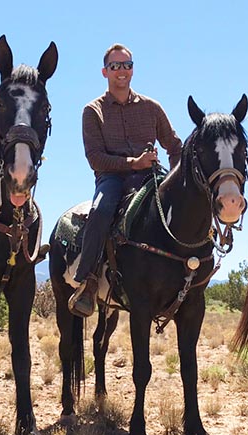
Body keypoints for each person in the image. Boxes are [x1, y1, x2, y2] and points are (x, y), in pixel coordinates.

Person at [68, 43, 183, 318]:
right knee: (101, 210)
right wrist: (132, 163)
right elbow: (95, 157)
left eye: (126, 65)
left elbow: (174, 145)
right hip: (112, 179)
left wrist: (178, 177)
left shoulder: (152, 107)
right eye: (115, 66)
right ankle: (88, 280)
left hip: (151, 175)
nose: (121, 71)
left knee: (184, 208)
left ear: (133, 70)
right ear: (105, 71)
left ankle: (192, 270)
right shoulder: (92, 110)